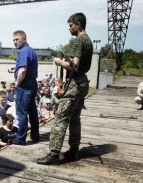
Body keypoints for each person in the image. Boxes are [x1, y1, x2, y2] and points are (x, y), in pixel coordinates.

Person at [37, 12, 93, 165]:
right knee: (75, 119)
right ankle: (73, 150)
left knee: (60, 119)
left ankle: (54, 154)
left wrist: (59, 61)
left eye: (71, 25)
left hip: (74, 83)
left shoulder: (78, 41)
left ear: (78, 24)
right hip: (83, 83)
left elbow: (73, 65)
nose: (69, 28)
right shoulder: (88, 40)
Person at [10, 30, 39, 145]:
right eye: (14, 40)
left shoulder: (23, 51)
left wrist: (17, 84)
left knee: (21, 113)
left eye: (17, 39)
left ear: (24, 38)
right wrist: (14, 69)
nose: (15, 42)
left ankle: (20, 139)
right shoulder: (30, 50)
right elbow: (23, 68)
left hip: (24, 86)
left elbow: (23, 71)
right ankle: (35, 136)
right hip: (32, 84)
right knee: (32, 111)